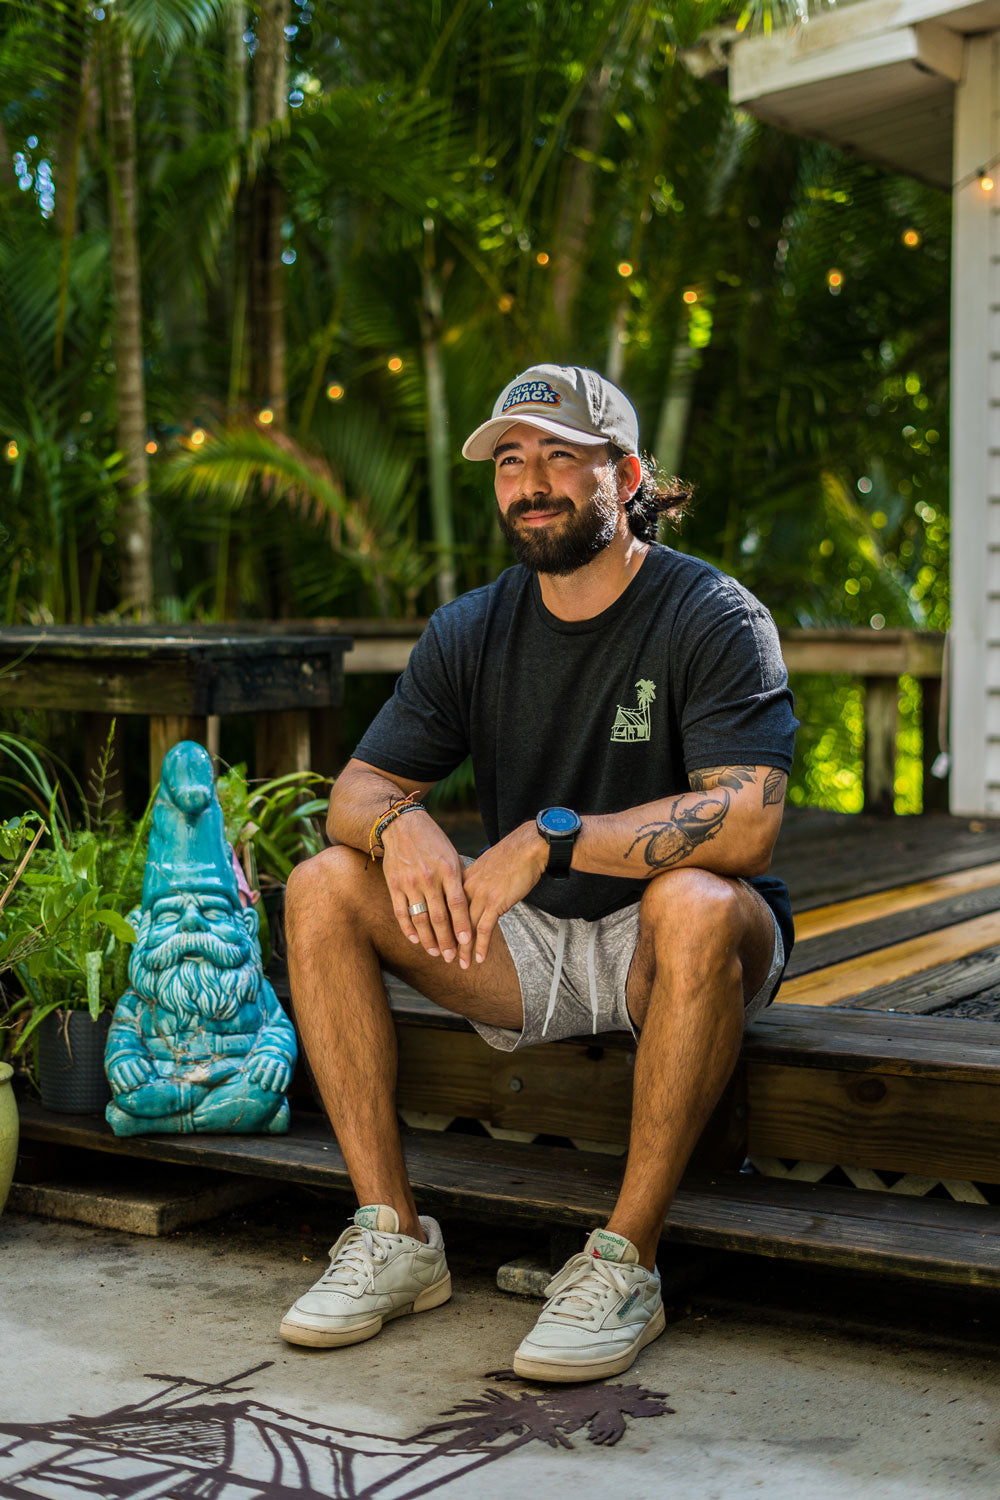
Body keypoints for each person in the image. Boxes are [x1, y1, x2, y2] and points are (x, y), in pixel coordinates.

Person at [280, 363, 797, 1383]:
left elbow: (747, 825)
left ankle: (623, 1259)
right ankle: (392, 1234)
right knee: (321, 883)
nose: (531, 483)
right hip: (531, 944)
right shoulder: (472, 627)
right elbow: (354, 792)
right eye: (511, 462)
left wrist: (551, 835)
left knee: (692, 897)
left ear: (628, 472)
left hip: (683, 942)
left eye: (562, 456)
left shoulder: (711, 614)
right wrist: (399, 827)